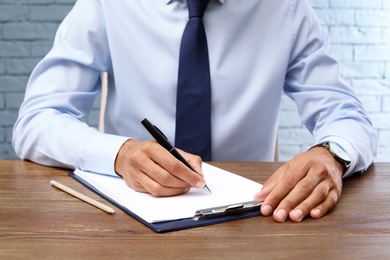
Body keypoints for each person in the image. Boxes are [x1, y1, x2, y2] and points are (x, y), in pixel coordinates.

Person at [13, 0, 376, 223]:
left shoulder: (286, 8)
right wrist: (120, 155)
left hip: (253, 220)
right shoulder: (109, 4)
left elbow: (346, 116)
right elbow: (37, 120)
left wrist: (332, 155)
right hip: (132, 220)